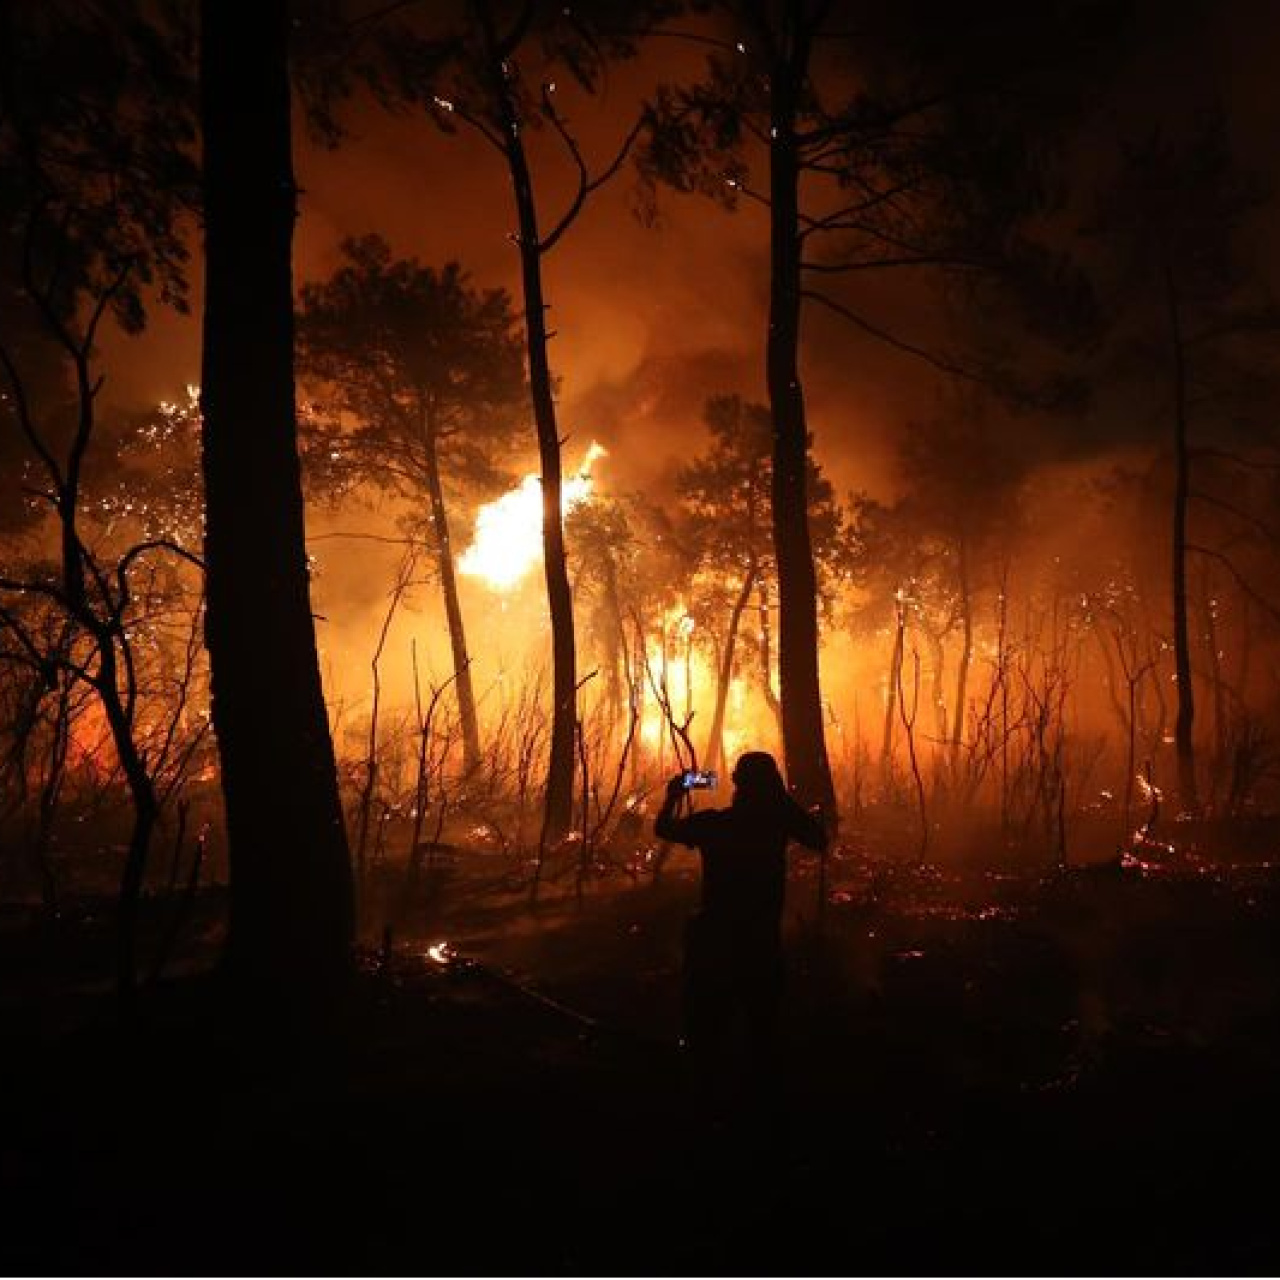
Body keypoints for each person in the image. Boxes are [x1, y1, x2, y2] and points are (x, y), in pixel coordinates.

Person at [654, 751, 828, 1125]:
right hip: (759, 944)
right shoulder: (776, 826)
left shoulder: (716, 825)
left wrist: (675, 793)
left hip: (714, 943)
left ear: (737, 786)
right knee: (762, 1034)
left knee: (706, 1035)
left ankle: (704, 1114)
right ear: (774, 788)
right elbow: (819, 838)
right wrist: (782, 802)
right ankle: (761, 1115)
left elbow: (664, 829)